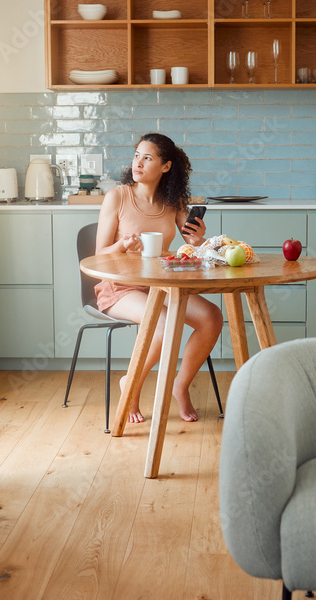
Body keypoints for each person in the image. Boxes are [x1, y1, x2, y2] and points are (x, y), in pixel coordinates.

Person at [94, 133, 222, 423]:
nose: (138, 162)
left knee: (211, 317)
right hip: (120, 288)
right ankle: (132, 384)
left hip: (160, 284)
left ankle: (180, 385)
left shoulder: (172, 203)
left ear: (165, 166)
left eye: (147, 157)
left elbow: (194, 247)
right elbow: (99, 255)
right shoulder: (117, 197)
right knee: (163, 324)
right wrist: (122, 245)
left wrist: (199, 238)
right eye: (137, 155)